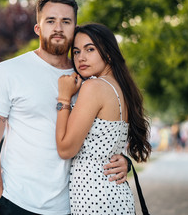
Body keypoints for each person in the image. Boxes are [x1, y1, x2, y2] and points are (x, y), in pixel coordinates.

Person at [0, 0, 129, 215]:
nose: (58, 27)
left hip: (72, 206)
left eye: (66, 21)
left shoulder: (87, 77)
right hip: (18, 203)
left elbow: (106, 131)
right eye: (50, 21)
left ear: (74, 27)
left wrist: (123, 160)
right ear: (38, 28)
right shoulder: (8, 72)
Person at [55, 23, 152, 214]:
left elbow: (66, 149)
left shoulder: (94, 87)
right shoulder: (121, 88)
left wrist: (64, 97)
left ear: (108, 53)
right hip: (115, 195)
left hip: (94, 199)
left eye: (90, 49)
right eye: (75, 51)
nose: (80, 57)